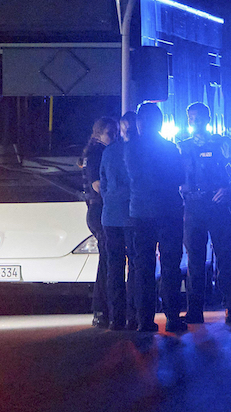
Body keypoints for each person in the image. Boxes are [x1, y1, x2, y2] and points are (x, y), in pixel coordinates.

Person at [178, 102, 231, 324]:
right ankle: (195, 310)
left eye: (199, 117)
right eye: (191, 118)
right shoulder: (182, 146)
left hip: (217, 206)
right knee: (195, 261)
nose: (194, 122)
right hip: (193, 207)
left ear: (208, 119)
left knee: (225, 258)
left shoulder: (222, 143)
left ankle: (230, 306)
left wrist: (229, 187)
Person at [125, 102, 187, 333]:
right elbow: (180, 177)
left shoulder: (129, 148)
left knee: (142, 266)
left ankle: (144, 320)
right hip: (168, 211)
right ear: (160, 123)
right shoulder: (169, 148)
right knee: (170, 265)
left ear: (140, 122)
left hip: (140, 212)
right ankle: (172, 317)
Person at [100, 111, 139, 330]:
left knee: (113, 266)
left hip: (110, 216)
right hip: (132, 216)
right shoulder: (138, 151)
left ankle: (116, 316)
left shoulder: (109, 151)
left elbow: (103, 182)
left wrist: (109, 198)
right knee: (135, 265)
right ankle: (134, 314)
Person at [82, 116, 119, 328]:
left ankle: (102, 309)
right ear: (98, 134)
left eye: (115, 133)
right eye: (110, 134)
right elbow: (97, 185)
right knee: (107, 262)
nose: (113, 138)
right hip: (100, 211)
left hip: (97, 211)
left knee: (107, 260)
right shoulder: (98, 153)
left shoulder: (94, 152)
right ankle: (101, 309)